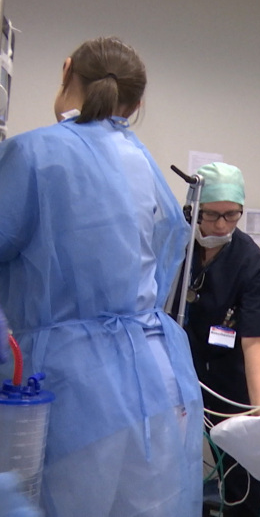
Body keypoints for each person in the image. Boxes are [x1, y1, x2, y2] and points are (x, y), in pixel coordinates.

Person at [0, 37, 202, 515]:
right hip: (156, 383)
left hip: (70, 388)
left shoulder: (32, 154)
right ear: (135, 103)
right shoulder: (143, 162)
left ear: (66, 69)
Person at [171, 162, 260, 516]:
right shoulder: (174, 244)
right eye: (211, 215)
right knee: (173, 479)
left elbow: (256, 339)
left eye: (232, 215)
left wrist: (259, 408)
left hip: (227, 384)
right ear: (193, 210)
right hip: (173, 378)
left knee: (240, 480)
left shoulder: (250, 261)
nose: (220, 225)